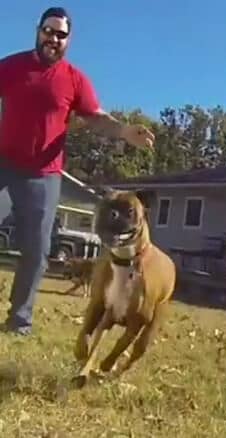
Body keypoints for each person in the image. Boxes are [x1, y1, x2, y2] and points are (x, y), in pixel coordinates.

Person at [0, 7, 154, 335]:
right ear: (38, 31)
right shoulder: (12, 66)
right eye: (48, 31)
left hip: (44, 174)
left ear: (69, 40)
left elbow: (97, 117)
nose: (52, 38)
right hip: (4, 162)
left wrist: (124, 131)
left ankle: (19, 322)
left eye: (60, 34)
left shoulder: (73, 78)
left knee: (37, 250)